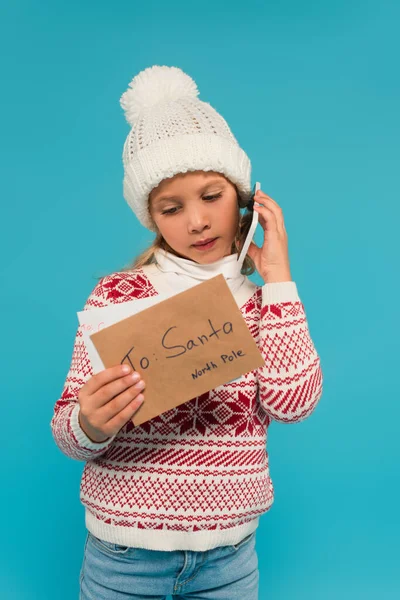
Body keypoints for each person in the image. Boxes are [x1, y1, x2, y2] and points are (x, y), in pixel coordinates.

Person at [50, 65, 324, 600]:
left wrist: (279, 281)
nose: (196, 222)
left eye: (212, 196)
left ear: (246, 198)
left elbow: (295, 404)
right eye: (171, 208)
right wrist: (90, 422)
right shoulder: (118, 296)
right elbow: (67, 434)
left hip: (229, 559)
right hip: (122, 557)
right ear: (152, 217)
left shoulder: (265, 303)